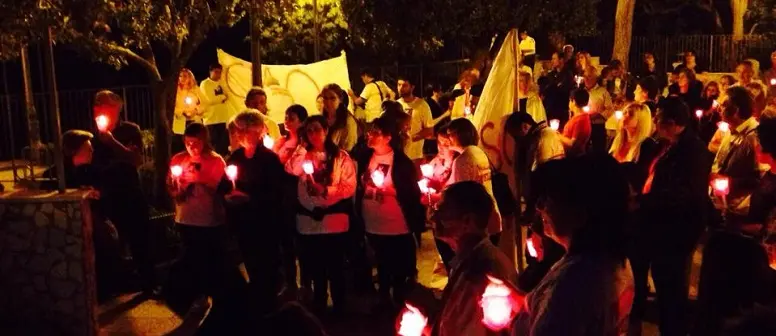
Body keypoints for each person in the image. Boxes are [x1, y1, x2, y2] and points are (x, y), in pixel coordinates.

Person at [513, 155, 634, 335]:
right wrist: (522, 302)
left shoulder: (575, 284)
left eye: (548, 198)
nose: (539, 207)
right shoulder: (612, 260)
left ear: (580, 211)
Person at [632, 97, 712, 336]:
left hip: (674, 230)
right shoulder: (661, 144)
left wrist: (642, 202)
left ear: (675, 123)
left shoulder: (694, 151)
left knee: (671, 289)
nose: (654, 122)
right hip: (650, 225)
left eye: (659, 119)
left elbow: (683, 194)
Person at [418, 181, 517, 336]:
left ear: (467, 221)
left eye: (443, 210)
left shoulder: (485, 273)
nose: (434, 216)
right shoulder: (465, 262)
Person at [285, 115, 356, 315]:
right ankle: (319, 305)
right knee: (315, 268)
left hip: (334, 221)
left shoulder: (340, 157)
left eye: (317, 129)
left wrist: (326, 191)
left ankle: (340, 306)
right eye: (309, 131)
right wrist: (300, 147)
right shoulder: (303, 156)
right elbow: (291, 169)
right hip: (309, 222)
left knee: (335, 267)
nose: (313, 134)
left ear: (326, 130)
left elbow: (349, 187)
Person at [355, 116, 425, 311]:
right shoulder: (365, 158)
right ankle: (383, 301)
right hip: (372, 222)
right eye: (370, 131)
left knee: (399, 266)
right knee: (381, 265)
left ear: (388, 137)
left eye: (376, 132)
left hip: (396, 223)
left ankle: (402, 305)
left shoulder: (401, 162)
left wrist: (388, 191)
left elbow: (411, 193)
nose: (370, 135)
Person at [219, 110, 286, 315]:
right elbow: (224, 185)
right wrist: (228, 196)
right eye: (237, 130)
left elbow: (276, 192)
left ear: (255, 131)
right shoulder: (236, 157)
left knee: (267, 267)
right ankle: (258, 305)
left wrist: (250, 197)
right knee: (251, 264)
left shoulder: (269, 159)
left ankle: (270, 309)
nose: (238, 134)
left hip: (265, 223)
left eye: (243, 130)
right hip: (244, 223)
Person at [90, 90, 157, 294]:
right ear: (96, 109)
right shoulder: (89, 136)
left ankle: (149, 284)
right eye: (102, 107)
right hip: (105, 195)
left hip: (129, 191)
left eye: (112, 108)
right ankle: (114, 286)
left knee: (140, 240)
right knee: (110, 244)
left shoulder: (130, 130)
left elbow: (135, 160)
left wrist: (112, 143)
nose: (108, 112)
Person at [165, 123, 235, 315]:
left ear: (204, 141)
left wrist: (199, 181)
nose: (192, 147)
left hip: (209, 219)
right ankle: (198, 296)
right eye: (188, 143)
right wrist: (177, 187)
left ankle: (219, 298)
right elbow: (171, 187)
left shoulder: (215, 160)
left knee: (212, 259)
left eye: (196, 143)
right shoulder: (178, 159)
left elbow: (221, 188)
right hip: (186, 217)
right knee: (191, 259)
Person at [444, 119, 502, 243]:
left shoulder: (463, 160)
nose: (447, 138)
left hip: (477, 224)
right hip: (491, 216)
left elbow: (460, 195)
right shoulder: (478, 152)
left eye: (450, 134)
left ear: (460, 134)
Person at [711, 86, 761, 229]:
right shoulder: (729, 130)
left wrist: (730, 182)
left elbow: (762, 179)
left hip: (740, 213)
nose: (719, 109)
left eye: (724, 105)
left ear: (737, 109)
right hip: (722, 207)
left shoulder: (754, 137)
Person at [397, 77, 434, 163]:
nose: (401, 88)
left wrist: (410, 138)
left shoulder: (422, 105)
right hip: (398, 156)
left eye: (405, 85)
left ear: (412, 87)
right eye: (399, 85)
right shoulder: (395, 105)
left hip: (415, 157)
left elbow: (429, 130)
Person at [200, 64, 231, 155]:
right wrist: (222, 97)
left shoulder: (221, 83)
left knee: (223, 144)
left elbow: (228, 95)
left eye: (220, 72)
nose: (218, 74)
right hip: (211, 119)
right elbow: (209, 99)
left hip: (222, 117)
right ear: (210, 72)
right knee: (212, 143)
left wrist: (223, 96)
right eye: (216, 72)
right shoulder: (205, 83)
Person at [539, 52, 573, 128]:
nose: (552, 61)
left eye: (554, 58)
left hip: (561, 110)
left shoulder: (568, 74)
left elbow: (563, 89)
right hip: (550, 109)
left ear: (561, 60)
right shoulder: (550, 74)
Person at [173, 69, 205, 152]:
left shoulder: (196, 89)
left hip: (194, 120)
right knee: (179, 146)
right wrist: (182, 112)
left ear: (190, 77)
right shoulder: (174, 90)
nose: (182, 78)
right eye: (180, 76)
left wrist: (196, 111)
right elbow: (170, 106)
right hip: (180, 121)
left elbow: (205, 104)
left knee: (195, 143)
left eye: (185, 76)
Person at [321, 84, 358, 151]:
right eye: (325, 98)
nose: (328, 102)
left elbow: (348, 148)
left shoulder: (348, 122)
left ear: (340, 100)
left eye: (333, 98)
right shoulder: (321, 120)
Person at [560, 88, 592, 157]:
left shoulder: (580, 120)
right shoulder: (583, 116)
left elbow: (572, 143)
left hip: (573, 157)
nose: (569, 103)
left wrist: (557, 135)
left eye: (569, 100)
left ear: (573, 101)